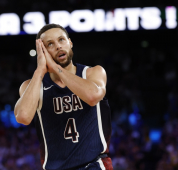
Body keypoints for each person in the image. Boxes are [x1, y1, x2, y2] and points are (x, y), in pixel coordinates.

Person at [14, 24, 113, 170]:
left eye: (61, 40)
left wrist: (57, 69)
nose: (58, 46)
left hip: (93, 164)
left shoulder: (92, 73)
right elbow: (23, 117)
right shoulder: (33, 85)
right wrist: (40, 71)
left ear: (70, 43)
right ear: (43, 52)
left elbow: (93, 96)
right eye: (50, 44)